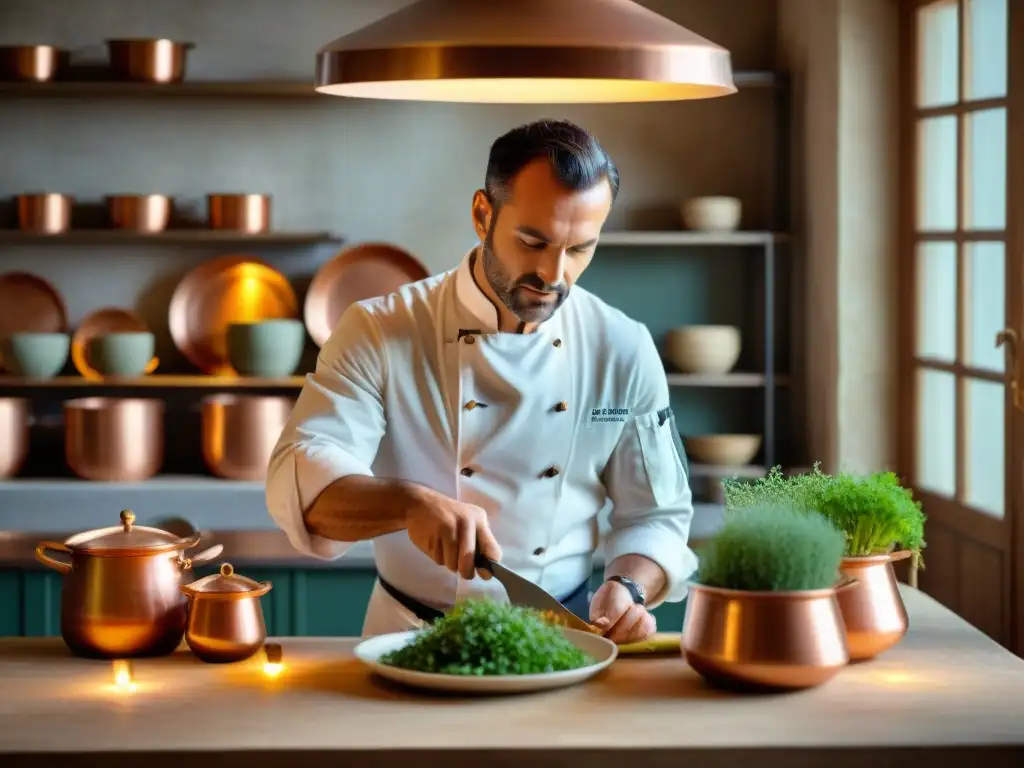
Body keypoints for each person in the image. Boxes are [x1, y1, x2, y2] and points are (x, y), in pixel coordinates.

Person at [266, 118, 697, 642]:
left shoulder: (622, 347)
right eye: (532, 241)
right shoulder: (381, 330)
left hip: (562, 637)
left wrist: (629, 588)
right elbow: (304, 481)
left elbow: (658, 514)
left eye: (580, 248)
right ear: (481, 214)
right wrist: (408, 503)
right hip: (407, 639)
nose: (554, 274)